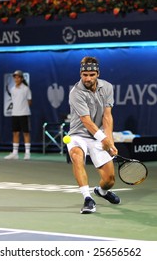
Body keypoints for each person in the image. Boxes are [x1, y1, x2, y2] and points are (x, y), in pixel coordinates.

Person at [66, 56, 120, 214]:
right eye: (84, 75)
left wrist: (109, 140)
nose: (88, 78)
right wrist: (103, 139)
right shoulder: (75, 92)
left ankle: (101, 192)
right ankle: (88, 199)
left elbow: (107, 116)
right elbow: (86, 121)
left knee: (109, 180)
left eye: (91, 74)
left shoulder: (107, 87)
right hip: (78, 134)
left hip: (98, 134)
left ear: (98, 73)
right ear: (80, 74)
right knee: (76, 156)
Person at [4, 70, 32, 160]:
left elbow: (29, 101)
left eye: (18, 77)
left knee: (26, 133)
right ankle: (15, 153)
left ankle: (27, 153)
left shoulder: (26, 89)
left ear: (21, 78)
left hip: (24, 113)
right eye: (15, 77)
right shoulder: (12, 89)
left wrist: (23, 107)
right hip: (14, 114)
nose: (16, 79)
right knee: (15, 133)